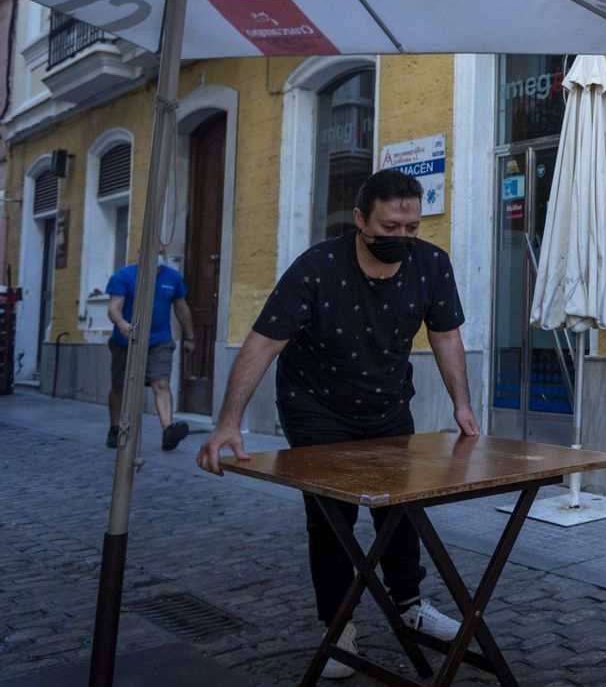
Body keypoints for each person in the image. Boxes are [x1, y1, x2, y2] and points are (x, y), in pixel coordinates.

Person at [195, 169, 477, 680]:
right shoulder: (317, 268)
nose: (403, 238)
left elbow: (446, 335)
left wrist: (463, 404)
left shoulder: (432, 264)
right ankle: (339, 621)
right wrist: (228, 422)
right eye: (391, 227)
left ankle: (410, 604)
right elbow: (263, 342)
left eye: (412, 227)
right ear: (360, 219)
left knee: (402, 504)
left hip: (388, 402)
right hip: (315, 404)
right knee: (332, 513)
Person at [106, 246, 195, 453]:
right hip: (126, 341)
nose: (157, 256)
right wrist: (122, 324)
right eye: (152, 251)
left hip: (160, 342)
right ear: (141, 252)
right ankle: (114, 427)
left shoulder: (172, 278)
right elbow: (113, 308)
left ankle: (168, 431)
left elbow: (182, 309)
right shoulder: (124, 276)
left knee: (161, 383)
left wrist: (190, 336)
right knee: (120, 386)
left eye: (160, 252)